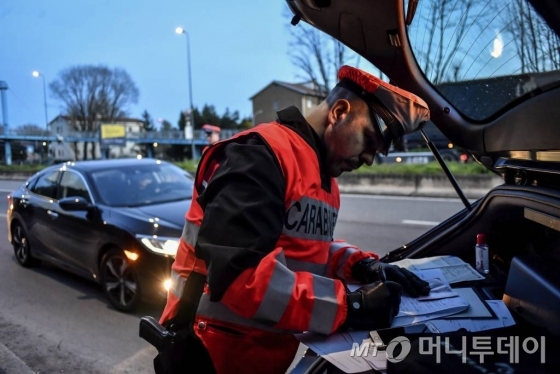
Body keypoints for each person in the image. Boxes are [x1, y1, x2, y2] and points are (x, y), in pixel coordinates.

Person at [156, 65, 431, 374]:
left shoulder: (325, 177)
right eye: (369, 139)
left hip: (262, 354)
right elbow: (239, 278)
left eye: (377, 151)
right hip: (204, 354)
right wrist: (352, 308)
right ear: (339, 112)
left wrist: (362, 266)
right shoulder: (258, 155)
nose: (369, 158)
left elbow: (307, 250)